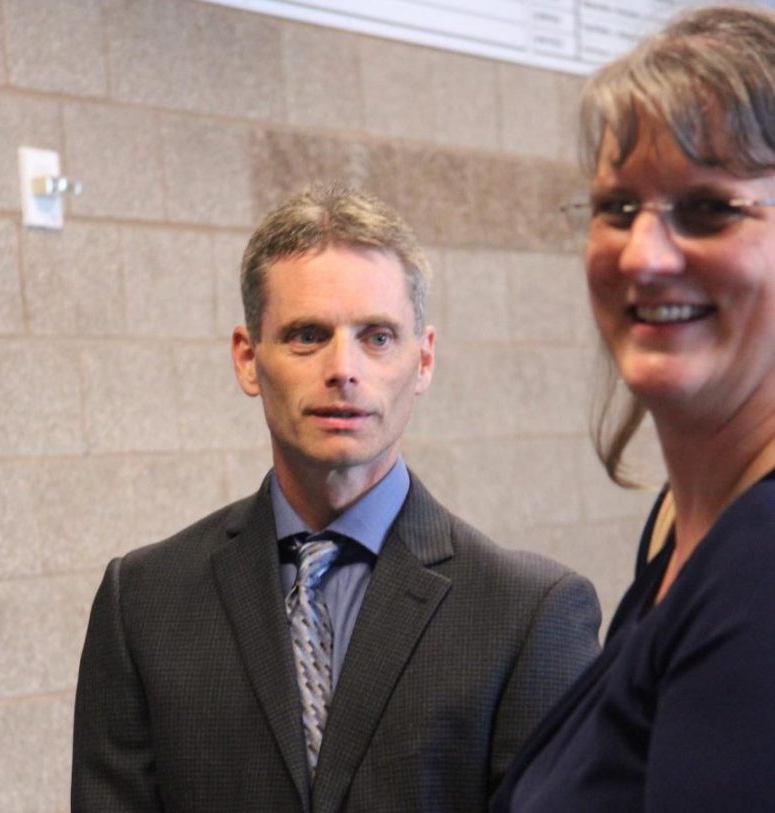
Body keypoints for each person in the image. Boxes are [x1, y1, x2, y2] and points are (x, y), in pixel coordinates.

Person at [71, 183, 600, 813]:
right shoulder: (144, 603)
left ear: (423, 360)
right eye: (306, 335)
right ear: (247, 358)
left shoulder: (529, 615)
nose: (342, 368)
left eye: (377, 337)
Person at [491, 6, 775, 812]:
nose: (644, 256)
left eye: (709, 208)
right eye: (617, 207)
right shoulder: (681, 531)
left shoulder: (762, 562)